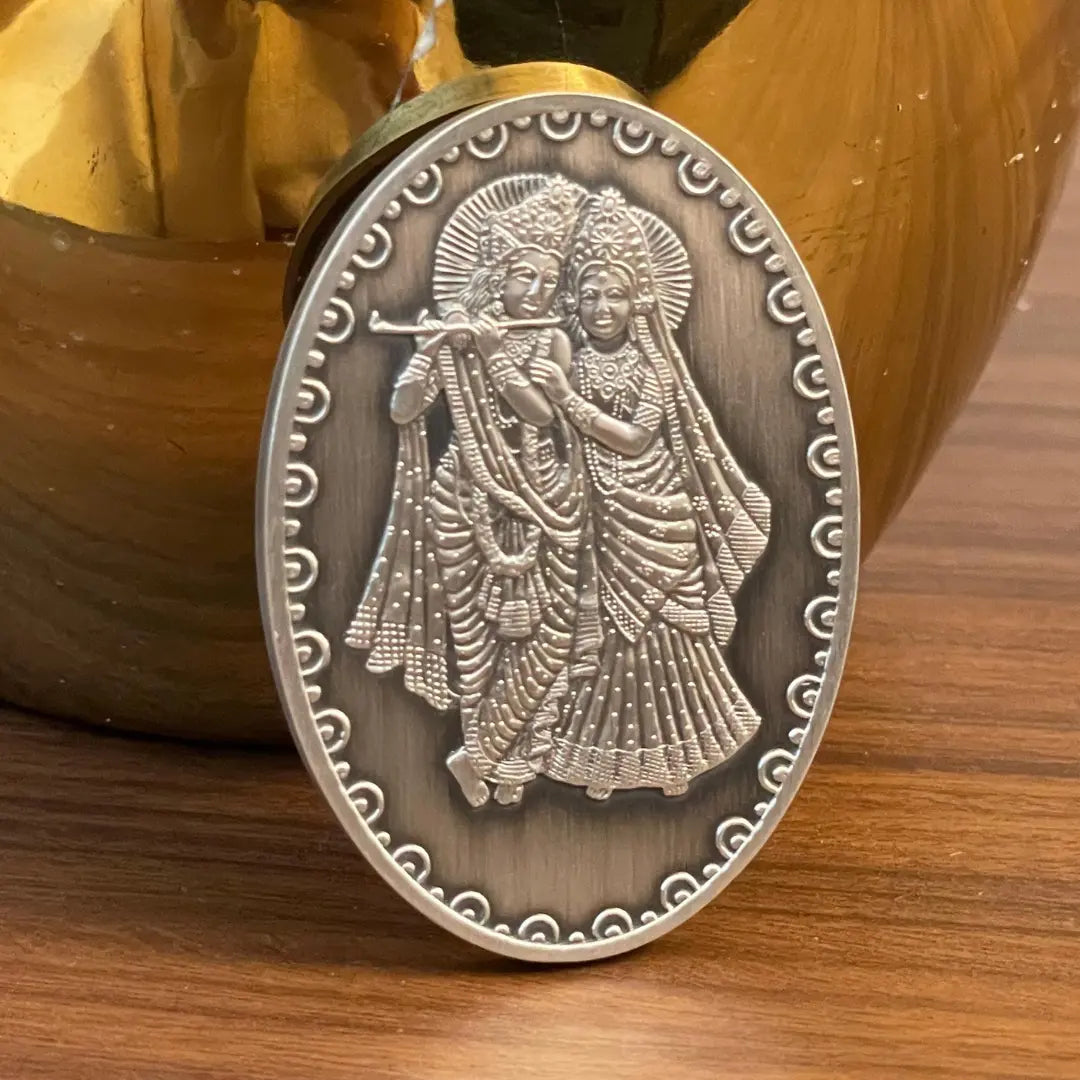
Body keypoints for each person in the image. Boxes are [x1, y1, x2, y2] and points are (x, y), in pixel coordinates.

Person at [346, 174, 590, 807]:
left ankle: (478, 757)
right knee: (477, 643)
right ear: (496, 276)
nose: (537, 290)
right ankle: (499, 770)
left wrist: (496, 356)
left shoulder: (552, 338)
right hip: (464, 500)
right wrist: (429, 351)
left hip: (547, 499)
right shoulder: (459, 336)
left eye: (549, 280)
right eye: (525, 276)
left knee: (553, 640)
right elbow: (403, 410)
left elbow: (542, 413)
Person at [532, 186, 772, 800]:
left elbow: (637, 440)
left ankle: (677, 759)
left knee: (668, 639)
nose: (602, 307)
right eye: (590, 294)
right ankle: (599, 761)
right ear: (573, 299)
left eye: (614, 294)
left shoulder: (653, 368)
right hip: (591, 519)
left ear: (637, 299)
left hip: (657, 517)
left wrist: (565, 399)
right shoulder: (567, 359)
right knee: (604, 640)